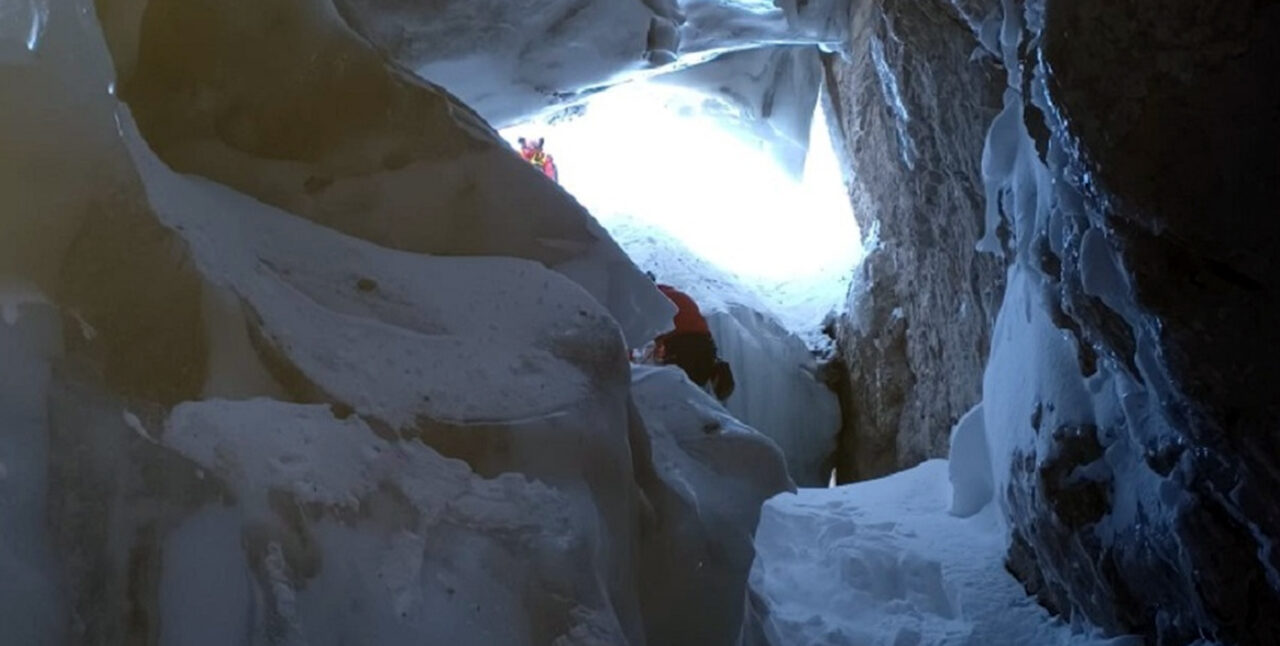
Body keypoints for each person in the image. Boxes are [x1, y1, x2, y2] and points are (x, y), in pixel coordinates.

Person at [646, 273, 735, 402]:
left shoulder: (655, 299)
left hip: (682, 348)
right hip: (706, 348)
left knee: (678, 396)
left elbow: (653, 329)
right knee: (695, 394)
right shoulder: (681, 296)